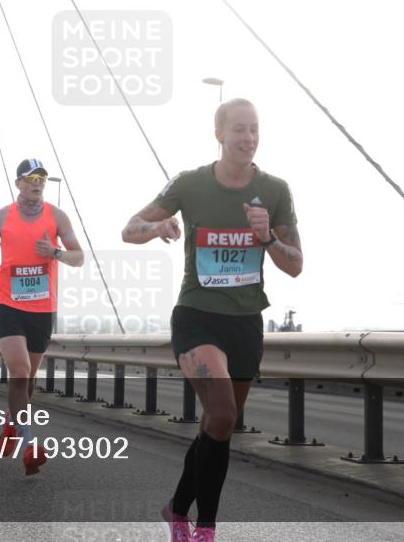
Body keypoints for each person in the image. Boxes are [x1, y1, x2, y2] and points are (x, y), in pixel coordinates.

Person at [121, 99, 303, 542]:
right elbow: (130, 228)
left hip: (244, 322)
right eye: (239, 129)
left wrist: (266, 237)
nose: (248, 138)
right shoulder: (190, 184)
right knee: (221, 414)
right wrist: (156, 229)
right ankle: (206, 529)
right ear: (218, 133)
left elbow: (295, 264)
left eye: (254, 130)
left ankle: (176, 508)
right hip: (196, 318)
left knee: (218, 425)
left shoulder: (275, 190)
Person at [0, 158, 84, 476]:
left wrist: (54, 253)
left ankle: (11, 426)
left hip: (42, 307)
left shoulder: (57, 216)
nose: (37, 183)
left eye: (42, 178)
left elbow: (78, 257)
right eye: (31, 178)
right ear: (18, 183)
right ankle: (30, 446)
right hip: (8, 302)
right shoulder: (1, 216)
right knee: (20, 370)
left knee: (29, 378)